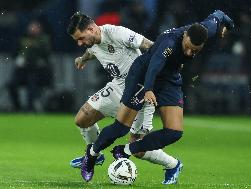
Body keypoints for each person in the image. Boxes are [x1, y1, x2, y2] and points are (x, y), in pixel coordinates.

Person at [80, 10, 234, 182]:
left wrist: (229, 24)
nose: (190, 53)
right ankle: (92, 156)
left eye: (195, 50)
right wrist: (148, 89)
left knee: (174, 132)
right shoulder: (169, 44)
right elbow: (154, 66)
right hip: (142, 76)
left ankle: (125, 151)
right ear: (184, 36)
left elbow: (219, 14)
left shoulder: (208, 29)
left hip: (169, 79)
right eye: (188, 47)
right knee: (121, 127)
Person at [67, 12, 182, 184]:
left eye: (81, 38)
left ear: (92, 28)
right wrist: (83, 58)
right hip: (118, 87)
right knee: (82, 119)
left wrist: (163, 68)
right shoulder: (93, 41)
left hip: (139, 93)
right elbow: (92, 51)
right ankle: (93, 154)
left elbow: (149, 45)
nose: (80, 43)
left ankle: (173, 164)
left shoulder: (117, 33)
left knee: (138, 148)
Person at [7, 19, 52, 112]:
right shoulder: (22, 39)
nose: (33, 29)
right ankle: (17, 107)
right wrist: (18, 58)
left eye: (36, 27)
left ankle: (29, 108)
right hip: (22, 71)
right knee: (11, 85)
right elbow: (14, 53)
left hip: (38, 72)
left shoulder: (44, 40)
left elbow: (46, 55)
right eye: (32, 27)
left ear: (40, 29)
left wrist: (39, 60)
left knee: (32, 85)